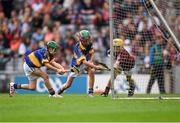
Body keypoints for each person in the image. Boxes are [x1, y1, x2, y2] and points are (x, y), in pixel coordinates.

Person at [57, 30, 104, 97]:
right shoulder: (78, 48)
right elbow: (83, 62)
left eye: (88, 39)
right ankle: (57, 92)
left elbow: (92, 53)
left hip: (87, 62)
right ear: (81, 40)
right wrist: (95, 66)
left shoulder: (89, 43)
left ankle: (90, 92)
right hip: (77, 66)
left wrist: (91, 61)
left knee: (92, 71)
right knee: (68, 85)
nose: (87, 41)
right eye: (85, 40)